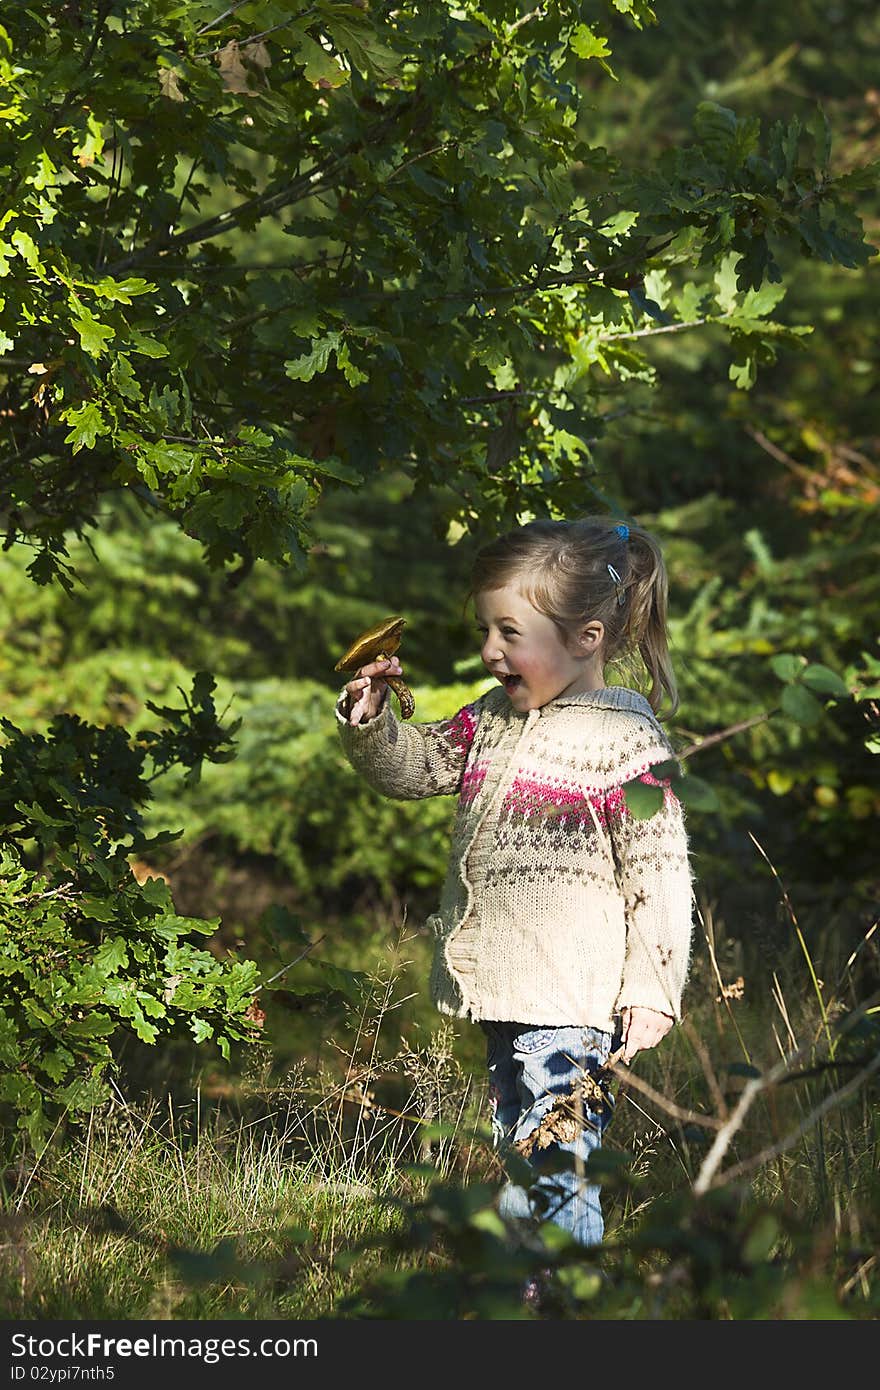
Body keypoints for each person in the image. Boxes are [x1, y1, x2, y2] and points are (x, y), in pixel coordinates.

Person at [334, 516, 695, 1259]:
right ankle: (524, 1292)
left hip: (572, 1000)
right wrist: (373, 721)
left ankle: (560, 1292)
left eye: (510, 632)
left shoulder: (625, 740)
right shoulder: (492, 721)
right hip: (508, 993)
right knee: (520, 1156)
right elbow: (418, 768)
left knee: (557, 1167)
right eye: (485, 630)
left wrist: (655, 986)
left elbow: (659, 869)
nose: (490, 651)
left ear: (586, 637)